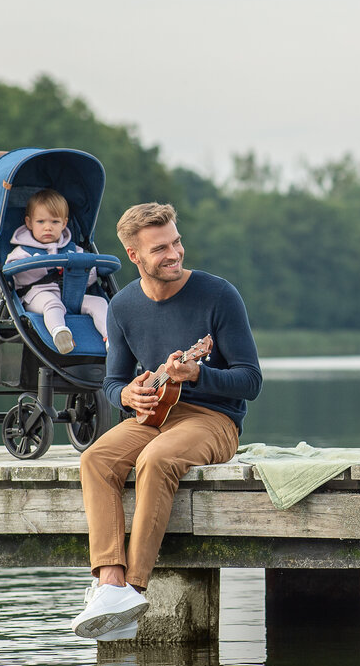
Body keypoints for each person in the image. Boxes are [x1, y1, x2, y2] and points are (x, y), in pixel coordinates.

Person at [70, 202, 262, 641]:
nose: (174, 253)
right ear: (134, 255)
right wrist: (127, 395)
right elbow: (113, 382)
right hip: (154, 413)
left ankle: (133, 587)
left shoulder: (219, 295)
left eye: (176, 242)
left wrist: (200, 372)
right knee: (96, 458)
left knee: (155, 460)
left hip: (213, 419)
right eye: (160, 248)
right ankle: (110, 582)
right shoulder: (122, 307)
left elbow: (250, 382)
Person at [5, 188, 110, 354]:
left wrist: (75, 271)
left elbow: (89, 277)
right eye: (41, 222)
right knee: (52, 303)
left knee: (99, 303)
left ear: (64, 224)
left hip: (71, 295)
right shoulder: (22, 251)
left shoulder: (73, 250)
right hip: (38, 295)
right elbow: (18, 276)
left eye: (54, 222)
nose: (48, 227)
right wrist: (46, 266)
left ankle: (110, 338)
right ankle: (60, 332)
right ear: (29, 222)